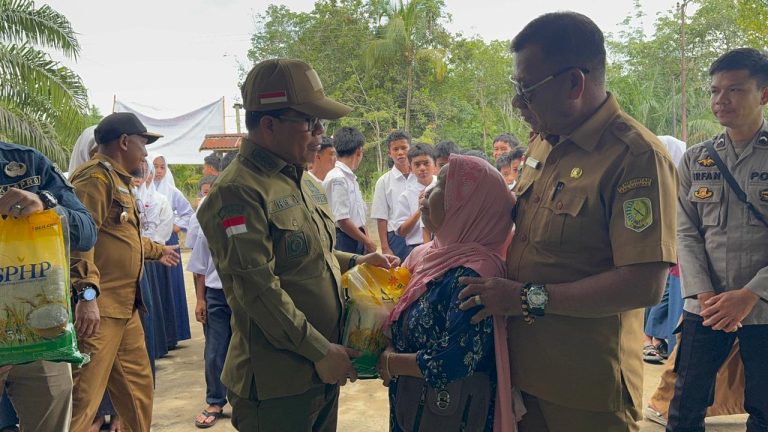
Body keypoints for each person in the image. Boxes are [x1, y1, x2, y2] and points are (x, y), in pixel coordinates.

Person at [458, 12, 678, 431]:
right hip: (524, 372)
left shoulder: (635, 157)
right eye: (515, 88)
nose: (517, 103)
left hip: (586, 387)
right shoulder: (544, 142)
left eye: (527, 89)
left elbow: (643, 284)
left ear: (574, 84)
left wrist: (524, 298)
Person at [196, 58, 399, 431]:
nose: (320, 134)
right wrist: (320, 351)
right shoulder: (237, 192)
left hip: (321, 370)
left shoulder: (304, 181)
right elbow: (257, 289)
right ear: (269, 125)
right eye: (310, 122)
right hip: (277, 383)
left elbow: (309, 256)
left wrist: (357, 262)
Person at [379, 154, 520, 432]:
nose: (427, 193)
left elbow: (455, 359)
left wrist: (391, 362)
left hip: (449, 415)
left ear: (468, 208)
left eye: (441, 186)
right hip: (413, 407)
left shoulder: (475, 275)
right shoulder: (428, 255)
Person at [667, 47, 768, 432]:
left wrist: (750, 294)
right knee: (685, 405)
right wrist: (704, 294)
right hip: (705, 307)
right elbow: (686, 231)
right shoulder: (697, 159)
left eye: (735, 89)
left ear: (764, 94)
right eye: (714, 90)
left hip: (763, 306)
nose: (720, 100)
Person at [68, 112, 181, 432]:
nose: (145, 153)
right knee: (83, 399)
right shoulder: (94, 179)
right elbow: (79, 241)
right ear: (123, 142)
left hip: (124, 307)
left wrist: (158, 251)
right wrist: (87, 295)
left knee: (137, 392)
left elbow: (122, 238)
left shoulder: (118, 180)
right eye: (143, 144)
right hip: (99, 309)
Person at [0, 140, 97, 432]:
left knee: (51, 419)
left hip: (36, 334)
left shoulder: (27, 164)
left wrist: (45, 205)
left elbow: (87, 231)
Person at [151, 154, 194, 348]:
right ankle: (160, 338)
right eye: (155, 166)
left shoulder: (171, 191)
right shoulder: (141, 190)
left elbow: (188, 213)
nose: (159, 171)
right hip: (151, 243)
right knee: (157, 288)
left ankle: (173, 334)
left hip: (169, 240)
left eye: (162, 167)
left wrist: (177, 226)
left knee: (170, 288)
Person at [323, 126, 376, 254]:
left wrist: (366, 238)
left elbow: (359, 215)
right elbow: (342, 220)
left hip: (356, 237)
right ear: (359, 151)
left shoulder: (350, 178)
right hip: (344, 239)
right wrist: (367, 241)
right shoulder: (338, 178)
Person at [371, 130, 415, 261]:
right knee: (399, 272)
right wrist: (385, 248)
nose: (400, 152)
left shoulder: (420, 177)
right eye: (395, 149)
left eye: (404, 148)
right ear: (389, 153)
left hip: (420, 235)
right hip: (396, 239)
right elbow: (381, 217)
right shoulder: (384, 182)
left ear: (411, 149)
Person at [393, 143, 436, 255]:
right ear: (410, 168)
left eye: (426, 163)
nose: (422, 168)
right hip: (416, 248)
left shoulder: (443, 186)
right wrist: (419, 211)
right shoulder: (406, 196)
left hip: (443, 245)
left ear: (434, 164)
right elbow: (401, 231)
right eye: (417, 165)